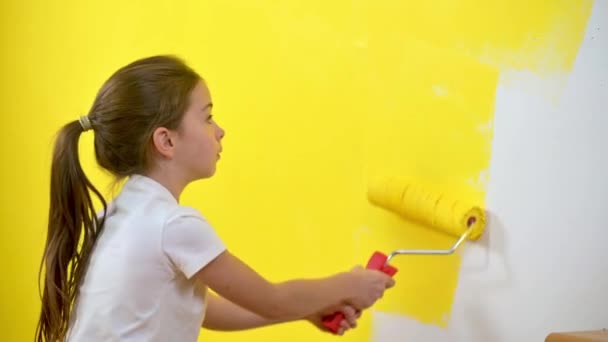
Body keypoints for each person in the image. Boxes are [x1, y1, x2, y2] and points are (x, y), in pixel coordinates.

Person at [35, 55, 395, 342]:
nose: (220, 131)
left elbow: (207, 312)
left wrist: (306, 309)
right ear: (167, 141)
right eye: (208, 118)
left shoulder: (116, 215)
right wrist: (352, 284)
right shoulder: (173, 225)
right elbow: (271, 299)